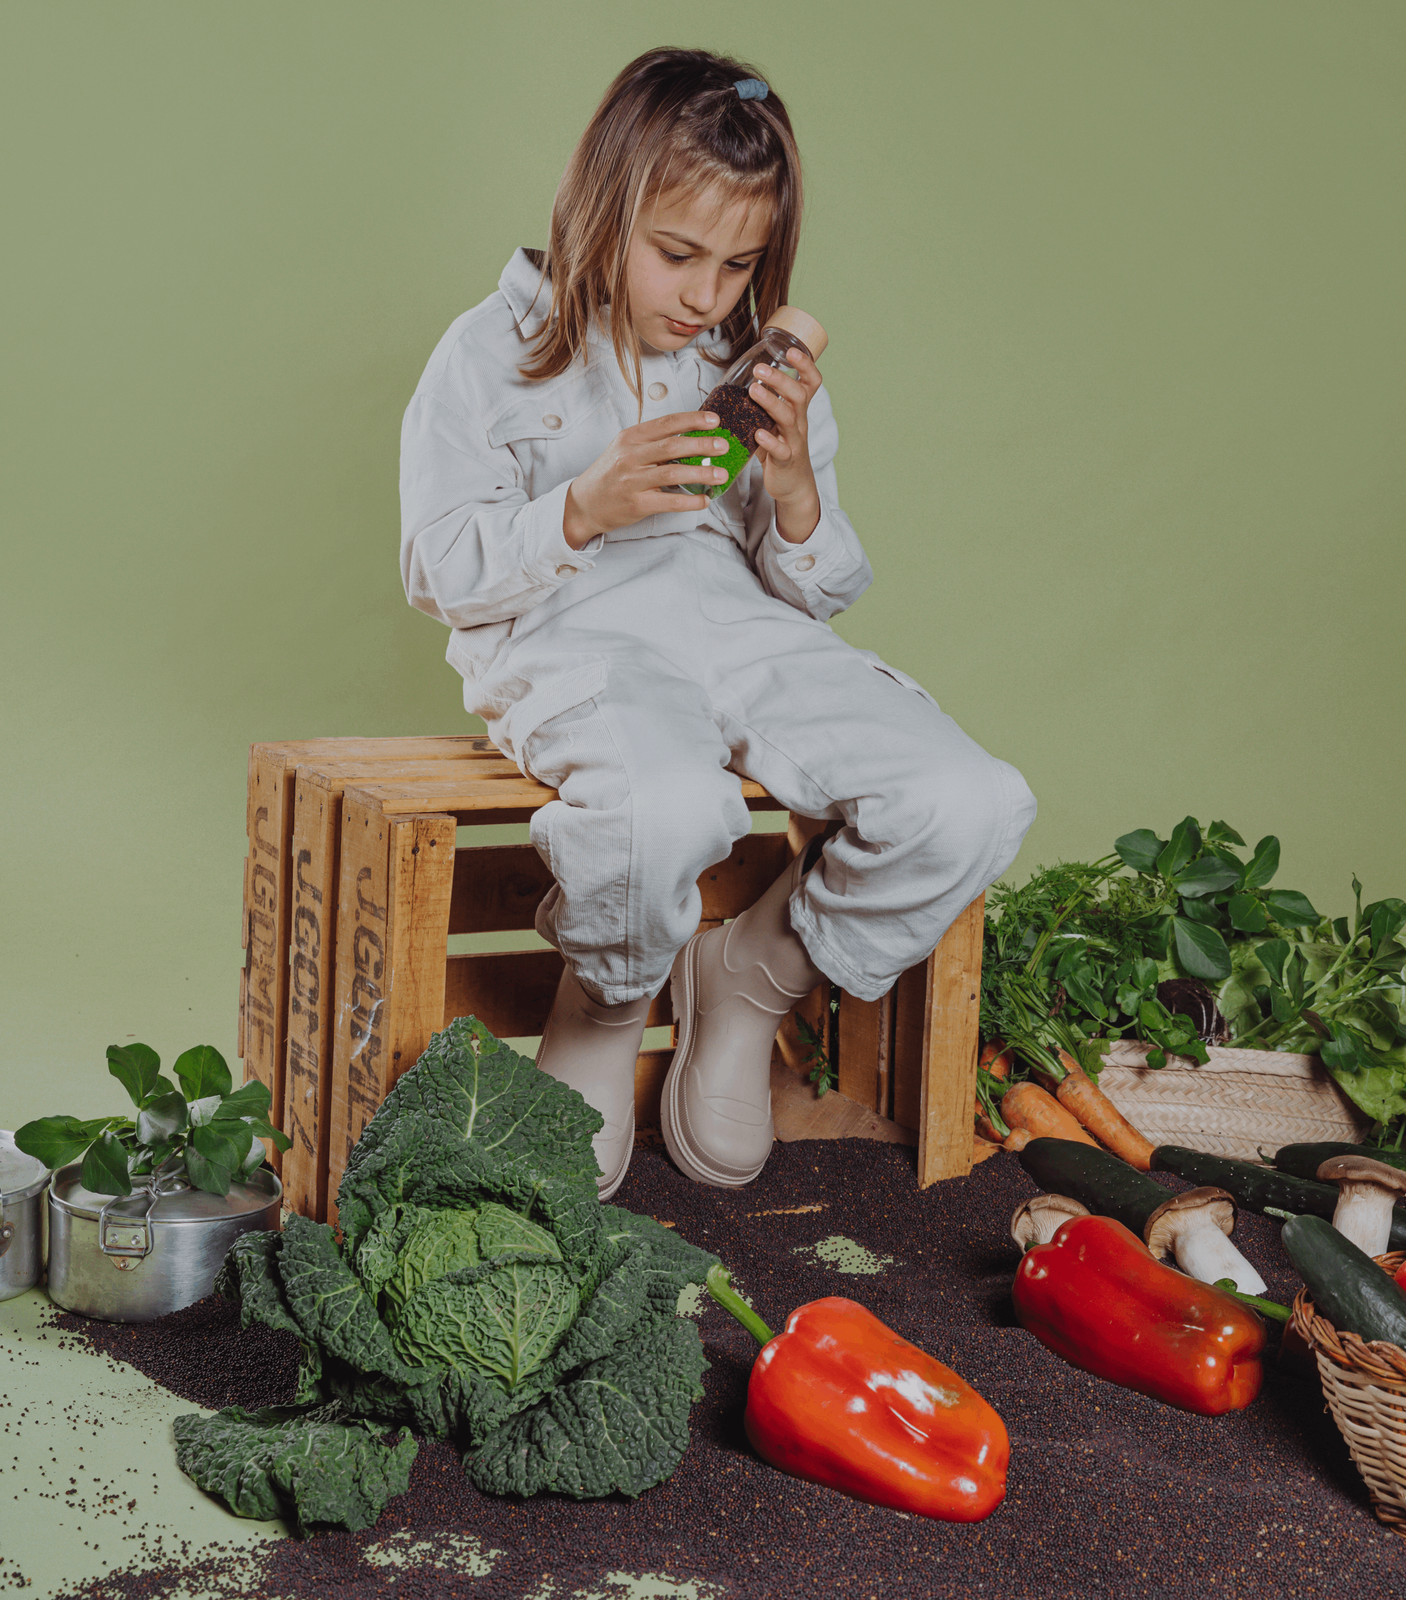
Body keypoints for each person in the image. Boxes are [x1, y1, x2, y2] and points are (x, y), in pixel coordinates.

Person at [399, 46, 1036, 1200]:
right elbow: (435, 568)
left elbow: (811, 594)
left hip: (741, 633)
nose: (703, 295)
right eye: (676, 254)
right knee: (666, 808)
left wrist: (791, 487)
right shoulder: (486, 354)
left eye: (737, 263)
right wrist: (581, 508)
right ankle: (602, 1011)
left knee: (969, 799)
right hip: (574, 639)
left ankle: (748, 980)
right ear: (601, 209)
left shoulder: (750, 361)